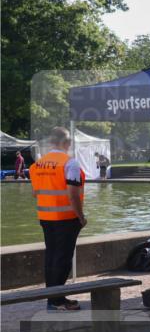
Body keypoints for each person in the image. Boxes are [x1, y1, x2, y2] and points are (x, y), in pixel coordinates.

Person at [29, 127, 87, 311]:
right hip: (66, 218)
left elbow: (35, 193)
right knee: (63, 259)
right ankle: (57, 301)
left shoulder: (37, 165)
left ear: (51, 142)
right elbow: (73, 196)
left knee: (52, 256)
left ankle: (52, 298)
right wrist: (81, 217)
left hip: (45, 217)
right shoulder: (70, 164)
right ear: (67, 143)